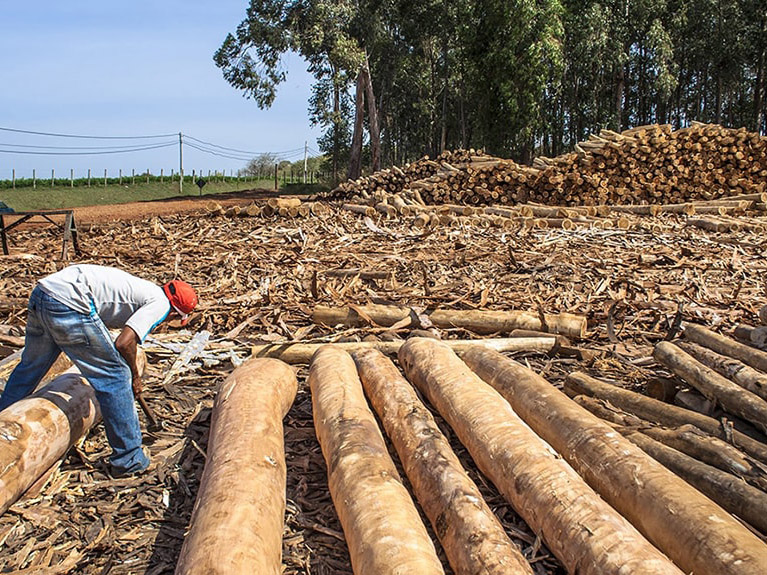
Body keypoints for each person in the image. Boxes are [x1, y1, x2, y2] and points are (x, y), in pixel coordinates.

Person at [0, 264, 198, 477]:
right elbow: (124, 342)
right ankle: (129, 460)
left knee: (31, 367)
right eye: (174, 318)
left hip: (44, 292)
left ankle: (3, 416)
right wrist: (134, 375)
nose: (169, 321)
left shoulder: (145, 289)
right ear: (175, 310)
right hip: (70, 303)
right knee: (116, 377)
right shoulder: (160, 304)